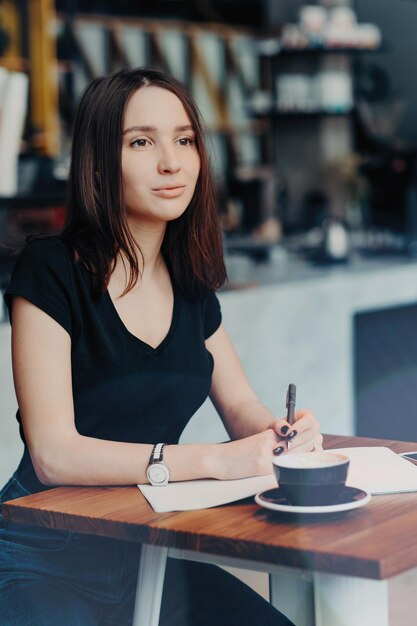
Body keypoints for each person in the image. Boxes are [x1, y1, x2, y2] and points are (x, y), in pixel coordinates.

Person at [0, 67, 322, 626]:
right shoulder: (50, 270)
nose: (172, 162)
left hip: (150, 552)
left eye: (185, 139)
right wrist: (213, 462)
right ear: (100, 160)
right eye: (142, 142)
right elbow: (54, 454)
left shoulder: (190, 281)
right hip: (43, 555)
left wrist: (278, 435)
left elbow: (239, 404)